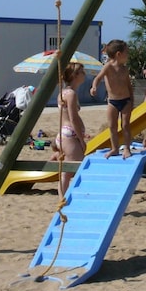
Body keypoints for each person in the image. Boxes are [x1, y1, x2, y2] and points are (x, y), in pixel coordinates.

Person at [90, 39, 134, 159]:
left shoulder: (124, 69)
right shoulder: (108, 67)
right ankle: (115, 148)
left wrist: (132, 100)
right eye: (126, 53)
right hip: (112, 102)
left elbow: (129, 86)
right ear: (119, 54)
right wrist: (94, 87)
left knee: (125, 125)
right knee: (112, 126)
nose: (128, 55)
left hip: (125, 100)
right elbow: (98, 78)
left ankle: (126, 148)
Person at [52, 61, 87, 198]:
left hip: (64, 134)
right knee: (76, 168)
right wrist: (81, 139)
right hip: (70, 135)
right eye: (82, 72)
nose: (84, 74)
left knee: (67, 172)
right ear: (75, 75)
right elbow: (73, 118)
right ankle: (64, 199)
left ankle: (62, 199)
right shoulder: (71, 94)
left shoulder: (63, 93)